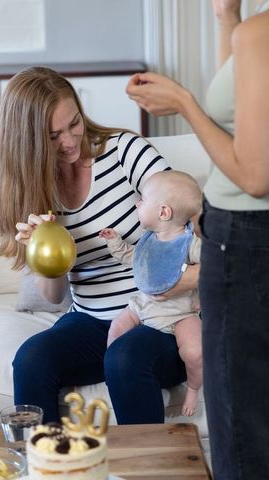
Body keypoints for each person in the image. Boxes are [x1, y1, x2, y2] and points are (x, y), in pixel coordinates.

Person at [0, 66, 200, 426]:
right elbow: (55, 296)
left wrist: (177, 283)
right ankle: (45, 465)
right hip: (90, 319)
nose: (70, 140)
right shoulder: (37, 189)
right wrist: (45, 249)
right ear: (29, 142)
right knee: (31, 360)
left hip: (158, 320)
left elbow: (192, 219)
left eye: (74, 123)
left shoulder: (124, 152)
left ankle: (143, 469)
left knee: (123, 358)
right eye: (53, 135)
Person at [126, 1, 269, 478]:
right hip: (246, 235)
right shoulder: (252, 32)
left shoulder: (261, 34)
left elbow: (253, 175)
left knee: (240, 426)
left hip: (245, 238)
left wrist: (184, 103)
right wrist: (227, 16)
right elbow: (243, 110)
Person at [99, 170, 202, 416]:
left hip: (180, 313)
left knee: (194, 351)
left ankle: (194, 387)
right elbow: (132, 258)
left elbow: (215, 267)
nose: (137, 203)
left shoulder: (189, 242)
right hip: (143, 306)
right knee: (116, 328)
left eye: (142, 200)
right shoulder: (149, 240)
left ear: (163, 212)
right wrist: (115, 242)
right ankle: (111, 374)